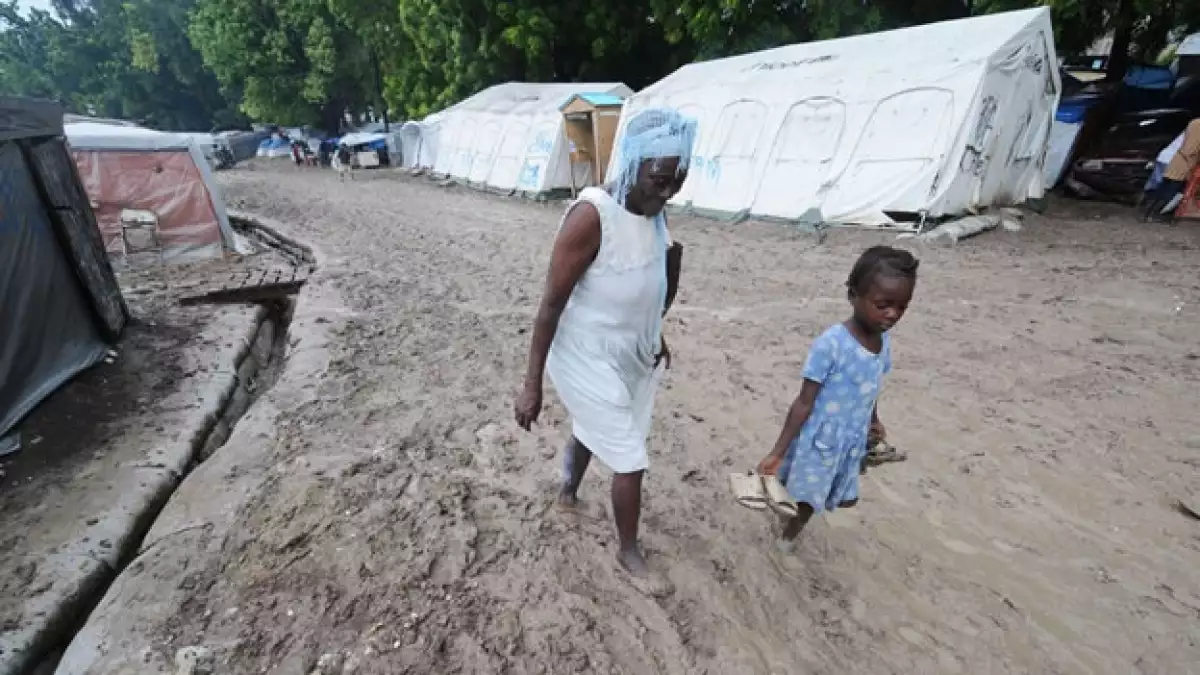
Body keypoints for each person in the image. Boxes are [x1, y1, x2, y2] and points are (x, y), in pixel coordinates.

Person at [514, 108, 696, 577]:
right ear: (633, 163)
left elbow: (653, 284)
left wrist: (656, 335)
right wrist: (531, 385)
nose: (669, 189)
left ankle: (567, 493)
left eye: (678, 179)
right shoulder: (591, 217)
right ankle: (629, 551)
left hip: (632, 354)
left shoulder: (656, 216)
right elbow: (550, 305)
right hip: (583, 353)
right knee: (630, 457)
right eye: (660, 178)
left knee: (594, 429)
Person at [755, 246, 918, 548]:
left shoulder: (884, 344)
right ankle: (785, 541)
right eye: (883, 304)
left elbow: (871, 386)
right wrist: (777, 450)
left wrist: (874, 419)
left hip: (851, 439)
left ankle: (786, 511)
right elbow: (804, 401)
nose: (892, 314)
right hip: (822, 441)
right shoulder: (831, 344)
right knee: (807, 500)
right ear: (854, 295)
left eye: (901, 307)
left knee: (829, 495)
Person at [1144, 117, 1200, 222]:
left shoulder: (1195, 122)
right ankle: (1156, 214)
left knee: (1166, 186)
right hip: (1183, 162)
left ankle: (1150, 213)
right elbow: (1191, 149)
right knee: (1172, 189)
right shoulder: (1198, 125)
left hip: (1175, 159)